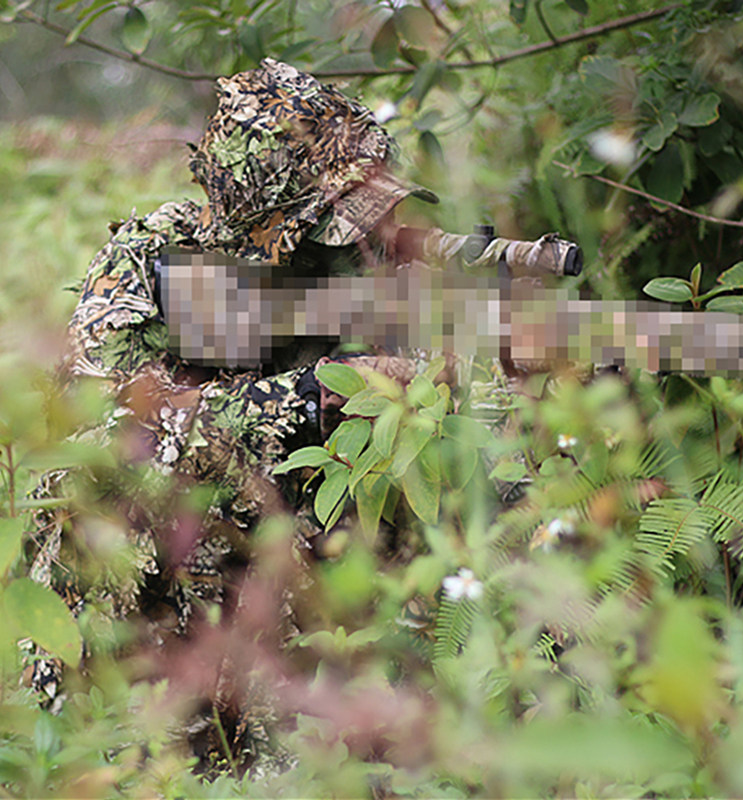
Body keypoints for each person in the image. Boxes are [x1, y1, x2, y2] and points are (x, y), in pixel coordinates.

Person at [29, 57, 446, 772]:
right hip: (156, 611)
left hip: (315, 614)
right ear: (264, 217)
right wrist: (307, 396)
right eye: (336, 219)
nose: (352, 237)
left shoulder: (370, 283)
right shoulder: (151, 261)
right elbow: (114, 426)